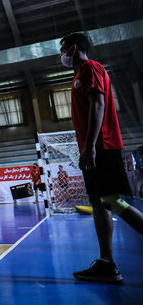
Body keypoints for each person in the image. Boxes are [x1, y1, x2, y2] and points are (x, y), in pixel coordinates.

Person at [60, 32, 143, 283]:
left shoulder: (90, 68)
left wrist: (90, 147)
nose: (61, 55)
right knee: (98, 202)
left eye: (62, 49)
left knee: (112, 201)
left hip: (102, 145)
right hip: (93, 147)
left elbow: (98, 104)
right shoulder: (78, 75)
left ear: (73, 49)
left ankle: (107, 263)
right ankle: (107, 263)